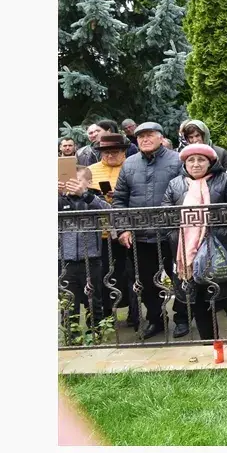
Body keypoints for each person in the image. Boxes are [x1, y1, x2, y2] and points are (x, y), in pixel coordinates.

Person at [161, 143, 227, 341]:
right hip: (188, 252)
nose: (196, 164)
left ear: (210, 162)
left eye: (201, 160)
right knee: (198, 302)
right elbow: (166, 215)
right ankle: (211, 346)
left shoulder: (225, 180)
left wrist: (205, 219)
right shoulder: (176, 184)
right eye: (191, 160)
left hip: (221, 249)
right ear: (185, 163)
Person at [113, 121, 188, 340]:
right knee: (146, 282)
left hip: (173, 233)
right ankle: (156, 319)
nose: (144, 140)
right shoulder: (129, 164)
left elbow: (187, 192)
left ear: (160, 138)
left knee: (181, 277)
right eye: (140, 137)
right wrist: (123, 228)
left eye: (149, 135)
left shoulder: (177, 160)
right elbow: (119, 200)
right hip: (140, 235)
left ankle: (182, 318)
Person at [59, 165, 112, 342]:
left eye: (78, 180)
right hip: (65, 259)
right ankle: (71, 336)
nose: (73, 184)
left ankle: (96, 333)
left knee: (93, 299)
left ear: (88, 182)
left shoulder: (93, 198)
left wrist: (85, 195)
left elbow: (109, 212)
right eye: (69, 181)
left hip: (91, 258)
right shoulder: (60, 200)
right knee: (68, 301)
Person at [86, 132, 132, 327]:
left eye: (115, 152)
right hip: (100, 234)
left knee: (130, 274)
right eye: (106, 152)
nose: (110, 155)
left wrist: (119, 195)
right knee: (102, 275)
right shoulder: (90, 170)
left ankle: (134, 314)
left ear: (123, 152)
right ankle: (104, 315)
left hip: (127, 230)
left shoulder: (132, 167)